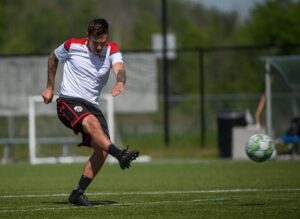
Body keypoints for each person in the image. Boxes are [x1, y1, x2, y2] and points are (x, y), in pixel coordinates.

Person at [42, 18, 139, 206]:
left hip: (92, 105)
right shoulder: (72, 45)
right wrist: (49, 87)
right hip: (68, 101)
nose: (100, 47)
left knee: (102, 150)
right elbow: (53, 58)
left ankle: (77, 193)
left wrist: (120, 81)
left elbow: (120, 69)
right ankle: (120, 155)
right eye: (96, 43)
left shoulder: (112, 49)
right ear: (88, 37)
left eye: (103, 42)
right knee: (92, 123)